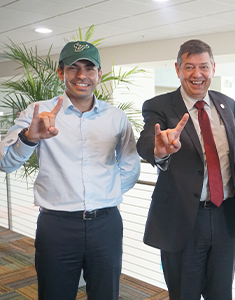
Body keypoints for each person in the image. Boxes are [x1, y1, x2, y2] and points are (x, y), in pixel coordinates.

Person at [0, 41, 141, 300]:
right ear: (60, 72)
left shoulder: (116, 117)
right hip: (57, 226)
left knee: (106, 295)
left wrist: (103, 195)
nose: (81, 75)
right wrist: (29, 139)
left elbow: (131, 168)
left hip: (106, 225)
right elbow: (6, 163)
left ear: (99, 74)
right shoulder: (37, 113)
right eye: (73, 68)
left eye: (89, 68)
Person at [136, 39, 235, 300]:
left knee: (222, 293)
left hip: (225, 217)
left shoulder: (228, 104)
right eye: (189, 67)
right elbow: (147, 142)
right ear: (177, 69)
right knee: (184, 294)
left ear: (213, 68)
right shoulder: (159, 106)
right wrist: (160, 149)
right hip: (182, 220)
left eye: (203, 67)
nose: (197, 74)